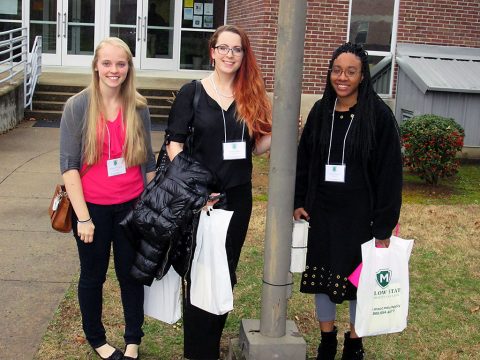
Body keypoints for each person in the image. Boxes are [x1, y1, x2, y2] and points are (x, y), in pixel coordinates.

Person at [165, 25, 272, 360]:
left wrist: (279, 126)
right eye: (223, 48)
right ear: (212, 52)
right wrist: (197, 191)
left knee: (225, 274)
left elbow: (256, 149)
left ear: (244, 55)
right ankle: (197, 352)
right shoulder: (192, 92)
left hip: (237, 199)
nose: (229, 55)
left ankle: (210, 345)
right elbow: (174, 145)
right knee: (199, 275)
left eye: (237, 49)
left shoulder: (250, 95)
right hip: (201, 202)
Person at [293, 42, 402, 360]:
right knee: (323, 278)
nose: (342, 77)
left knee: (359, 282)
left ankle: (354, 342)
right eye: (337, 70)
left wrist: (383, 225)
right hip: (323, 213)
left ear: (363, 76)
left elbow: (389, 175)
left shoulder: (378, 117)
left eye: (351, 71)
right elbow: (305, 159)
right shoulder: (320, 111)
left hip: (361, 218)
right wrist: (299, 199)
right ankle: (327, 341)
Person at [59, 37, 156, 360]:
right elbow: (69, 168)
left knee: (131, 275)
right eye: (107, 63)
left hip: (132, 208)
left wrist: (154, 210)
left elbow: (149, 164)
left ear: (129, 68)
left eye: (121, 63)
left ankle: (132, 340)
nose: (114, 70)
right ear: (96, 66)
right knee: (93, 276)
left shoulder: (138, 107)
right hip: (93, 211)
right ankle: (97, 339)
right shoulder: (78, 106)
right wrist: (83, 217)